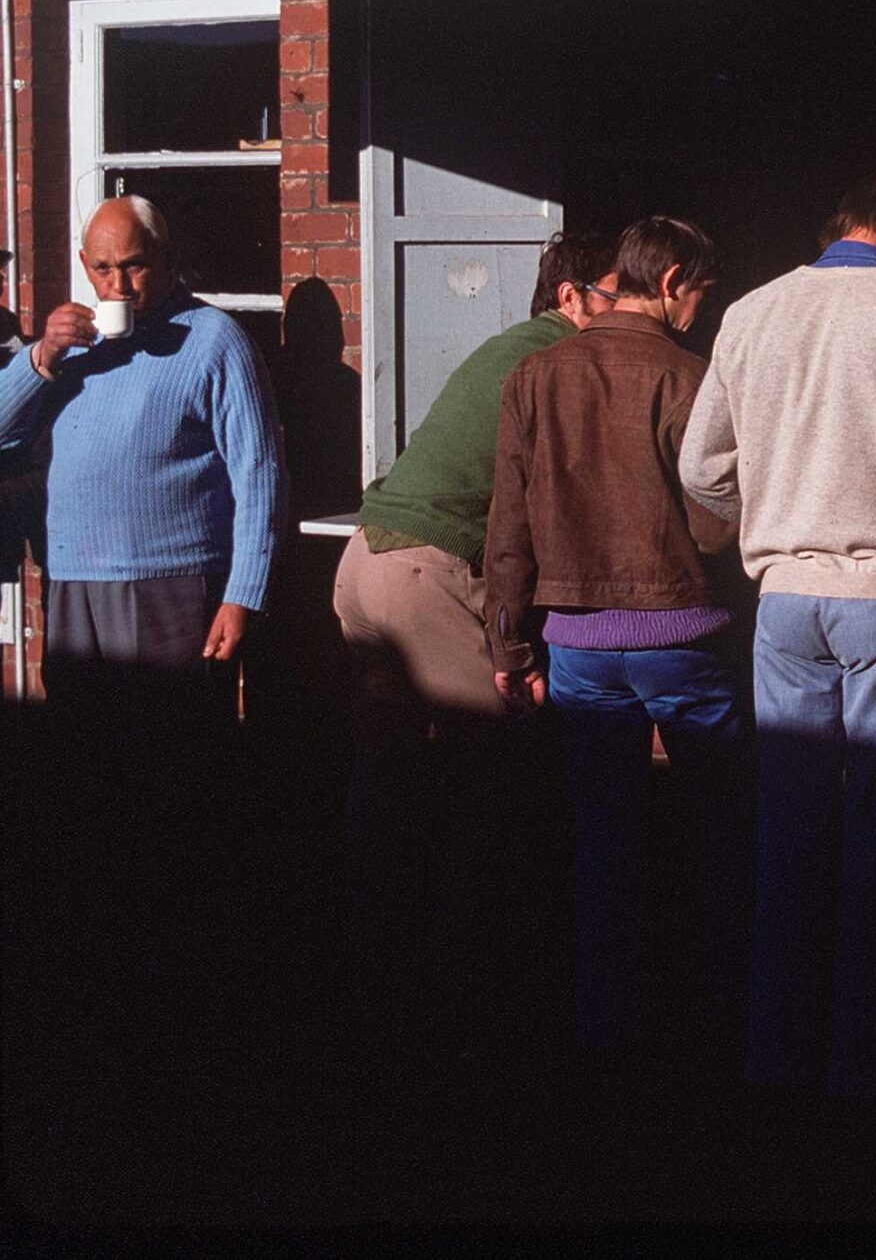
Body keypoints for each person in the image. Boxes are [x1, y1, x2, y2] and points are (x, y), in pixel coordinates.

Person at [680, 167, 876, 1101]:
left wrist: (772, 514)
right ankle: (869, 1068)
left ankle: (776, 1057)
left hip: (784, 597)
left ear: (837, 226)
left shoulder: (751, 311)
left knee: (793, 826)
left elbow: (702, 463)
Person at [331, 231, 618, 996]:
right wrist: (517, 647)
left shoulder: (512, 346)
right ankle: (473, 977)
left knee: (390, 769)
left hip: (364, 562)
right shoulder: (560, 362)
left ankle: (370, 951)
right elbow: (541, 511)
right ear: (572, 297)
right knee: (498, 769)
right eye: (619, 294)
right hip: (423, 569)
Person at [486, 216, 743, 1062]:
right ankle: (722, 1011)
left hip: (579, 649)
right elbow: (713, 529)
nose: (702, 311)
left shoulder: (533, 375)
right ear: (670, 282)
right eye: (700, 293)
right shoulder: (691, 376)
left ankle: (609, 1028)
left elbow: (509, 529)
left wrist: (509, 649)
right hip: (683, 636)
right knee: (723, 833)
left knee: (604, 843)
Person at [0, 197, 286, 927]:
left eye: (134, 265)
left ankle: (184, 929)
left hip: (173, 583)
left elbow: (260, 473)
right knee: (85, 766)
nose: (119, 285)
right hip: (73, 584)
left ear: (166, 257)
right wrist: (37, 359)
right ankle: (104, 928)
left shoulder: (213, 338)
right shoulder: (73, 346)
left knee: (176, 769)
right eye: (102, 268)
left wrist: (241, 592)